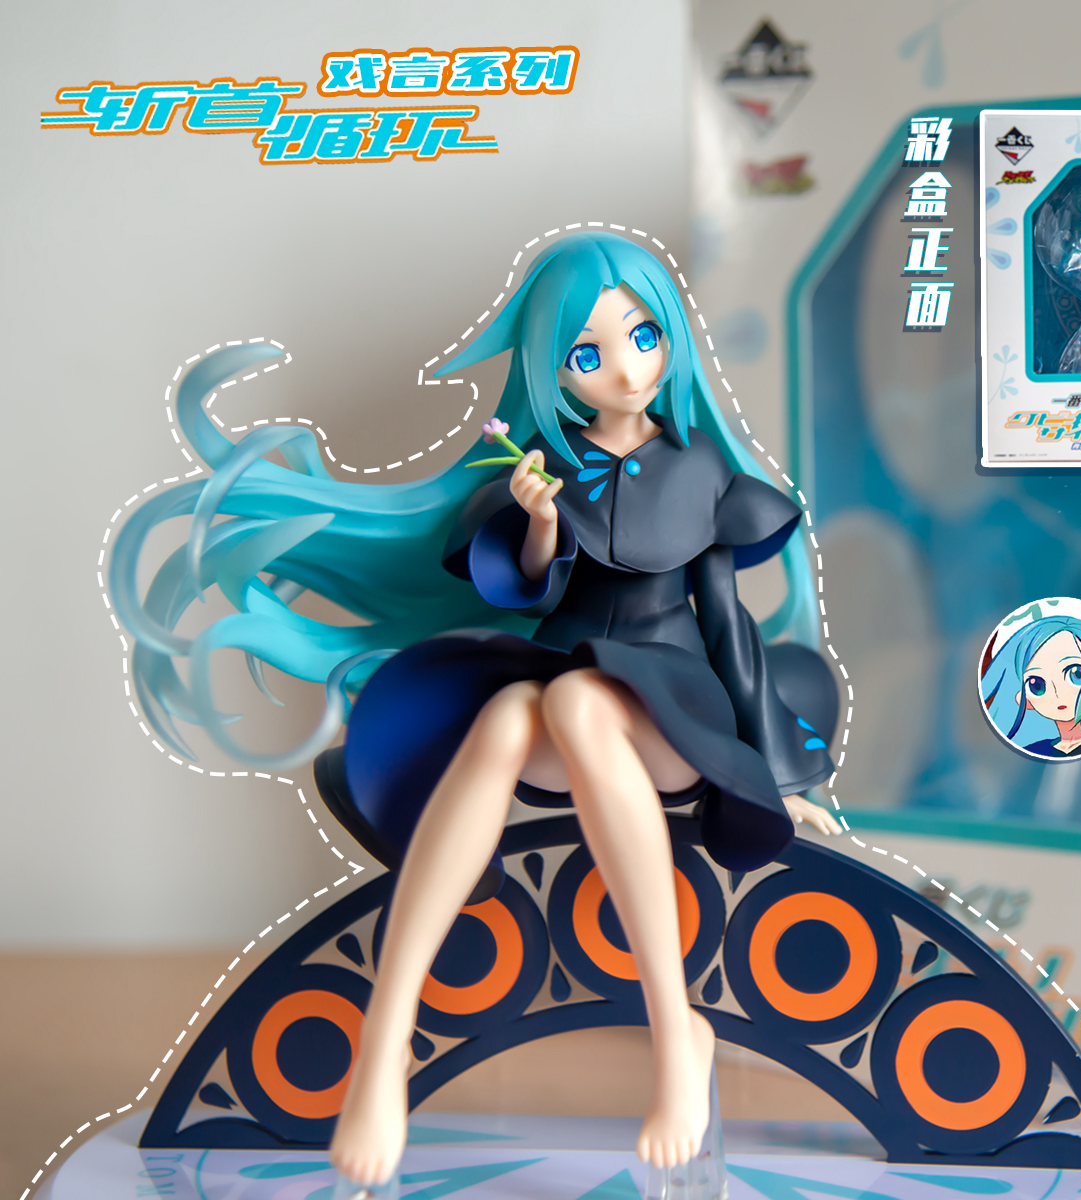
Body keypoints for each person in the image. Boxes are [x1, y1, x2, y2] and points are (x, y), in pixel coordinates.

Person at [111, 231, 840, 1191]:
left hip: (674, 708)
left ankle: (677, 1030)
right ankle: (386, 1042)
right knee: (509, 719)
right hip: (567, 690)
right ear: (553, 370)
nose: (626, 369)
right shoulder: (545, 464)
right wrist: (538, 522)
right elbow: (530, 587)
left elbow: (727, 625)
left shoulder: (700, 466)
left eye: (644, 335)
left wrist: (779, 771)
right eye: (587, 353)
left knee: (571, 701)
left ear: (672, 336)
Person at [980, 615, 1081, 759]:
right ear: (1025, 700)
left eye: (1076, 674)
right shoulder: (1034, 751)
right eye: (1037, 685)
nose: (1058, 693)